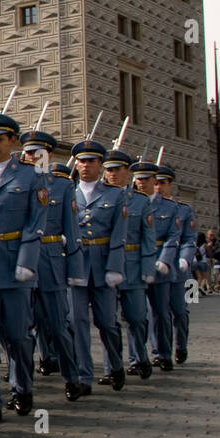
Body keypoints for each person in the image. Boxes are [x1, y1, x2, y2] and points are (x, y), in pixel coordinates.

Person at [0, 112, 47, 418]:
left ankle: (22, 387)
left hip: (16, 264)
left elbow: (36, 222)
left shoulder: (32, 176)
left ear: (12, 141)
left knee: (18, 336)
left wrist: (27, 260)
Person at [18, 132, 85, 401]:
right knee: (20, 329)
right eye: (29, 153)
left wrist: (76, 270)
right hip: (21, 259)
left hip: (50, 260)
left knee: (57, 327)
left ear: (49, 156)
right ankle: (20, 385)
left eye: (39, 153)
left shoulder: (61, 186)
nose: (33, 157)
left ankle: (72, 377)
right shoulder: (17, 181)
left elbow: (73, 230)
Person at [67, 139, 129, 395]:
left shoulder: (115, 194)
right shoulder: (67, 193)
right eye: (81, 161)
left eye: (91, 161)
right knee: (77, 321)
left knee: (106, 322)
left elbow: (120, 234)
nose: (85, 165)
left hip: (103, 263)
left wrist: (115, 267)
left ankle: (115, 365)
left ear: (100, 165)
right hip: (77, 263)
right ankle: (83, 376)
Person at [99, 147, 158, 381]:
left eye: (117, 170)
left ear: (128, 173)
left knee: (136, 318)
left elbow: (148, 238)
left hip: (132, 266)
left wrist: (148, 268)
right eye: (109, 170)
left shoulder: (140, 201)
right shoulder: (97, 198)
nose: (112, 174)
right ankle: (111, 368)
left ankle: (140, 356)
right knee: (107, 321)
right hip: (104, 267)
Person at [133, 160, 181, 370]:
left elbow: (173, 237)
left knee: (161, 313)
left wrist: (164, 260)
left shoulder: (170, 208)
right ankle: (137, 357)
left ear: (155, 181)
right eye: (138, 179)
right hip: (134, 264)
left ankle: (163, 353)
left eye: (146, 179)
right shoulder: (128, 202)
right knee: (135, 314)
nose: (141, 183)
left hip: (160, 264)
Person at [156, 168, 196, 364]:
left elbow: (189, 239)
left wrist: (185, 259)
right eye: (155, 183)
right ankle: (160, 352)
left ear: (170, 184)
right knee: (160, 312)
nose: (158, 187)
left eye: (162, 183)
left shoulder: (183, 209)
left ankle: (181, 345)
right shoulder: (147, 206)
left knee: (180, 311)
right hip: (158, 267)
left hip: (180, 269)